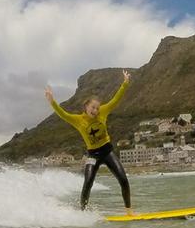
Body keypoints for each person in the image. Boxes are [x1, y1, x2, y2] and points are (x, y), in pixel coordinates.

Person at [45, 70, 133, 216]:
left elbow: (115, 100)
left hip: (107, 151)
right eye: (93, 107)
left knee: (123, 179)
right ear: (86, 107)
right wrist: (52, 101)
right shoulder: (78, 120)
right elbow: (63, 114)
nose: (96, 110)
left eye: (97, 108)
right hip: (93, 155)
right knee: (88, 184)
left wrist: (125, 84)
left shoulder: (103, 111)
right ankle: (83, 213)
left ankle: (129, 212)